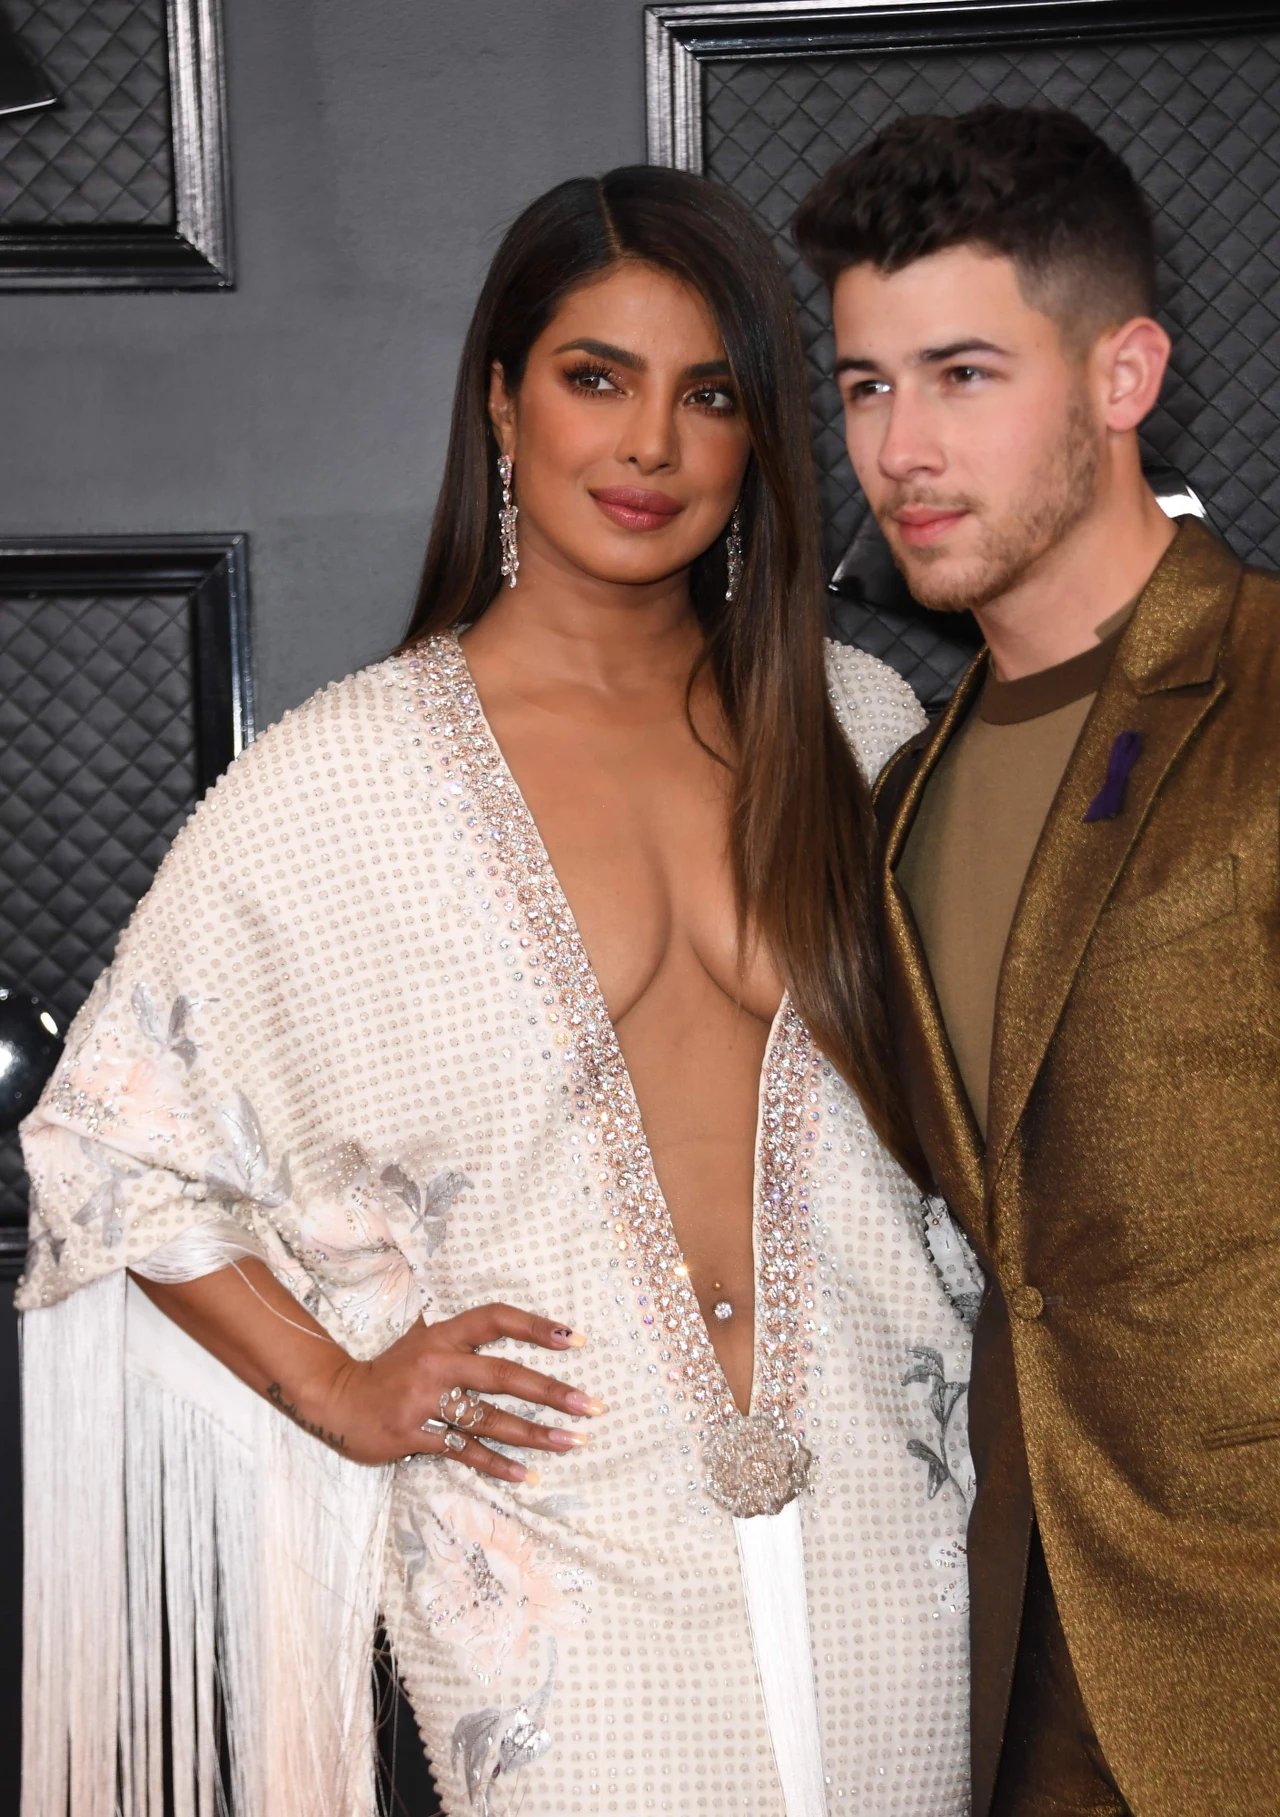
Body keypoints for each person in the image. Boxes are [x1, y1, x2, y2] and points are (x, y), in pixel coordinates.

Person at [19, 165, 978, 1817]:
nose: (650, 445)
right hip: (562, 1567)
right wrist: (336, 1384)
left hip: (895, 1551)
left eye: (711, 396)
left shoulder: (863, 726)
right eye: (597, 378)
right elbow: (108, 1145)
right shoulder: (342, 781)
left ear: (758, 438)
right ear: (502, 404)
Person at [795, 104, 1280, 1817]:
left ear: (1122, 374)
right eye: (866, 385)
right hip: (1021, 1669)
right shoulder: (904, 790)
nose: (902, 447)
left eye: (965, 375)